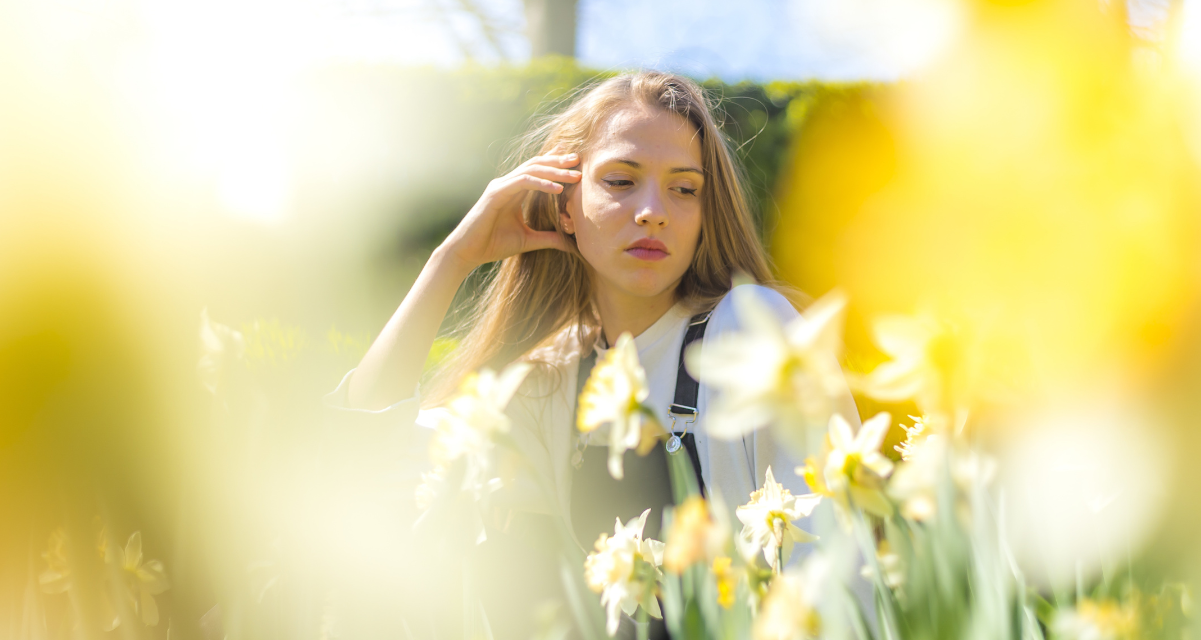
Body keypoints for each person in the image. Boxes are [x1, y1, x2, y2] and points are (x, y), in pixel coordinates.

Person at [327, 71, 854, 639]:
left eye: (684, 189)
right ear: (566, 208)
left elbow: (834, 567)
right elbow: (370, 461)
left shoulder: (751, 329)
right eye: (621, 181)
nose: (652, 211)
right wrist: (450, 259)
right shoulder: (552, 375)